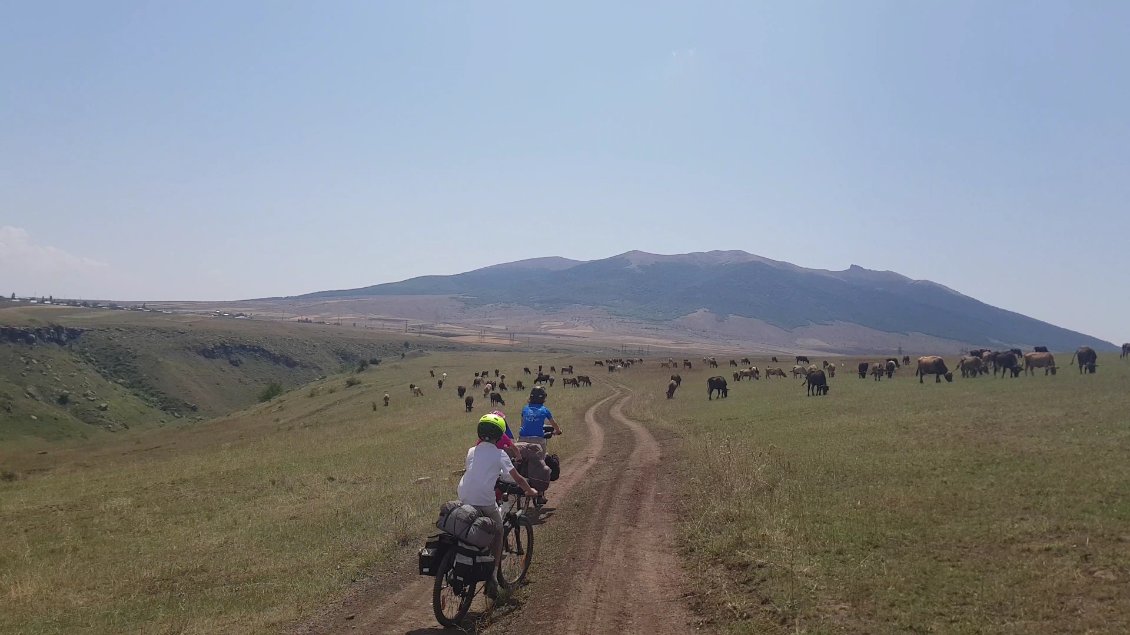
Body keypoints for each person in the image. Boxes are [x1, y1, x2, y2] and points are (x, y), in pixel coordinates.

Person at [458, 413, 538, 598]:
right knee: (499, 531)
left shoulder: (471, 451)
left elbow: (473, 470)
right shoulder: (500, 453)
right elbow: (515, 478)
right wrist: (529, 490)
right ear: (499, 434)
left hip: (464, 497)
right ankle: (493, 577)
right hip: (484, 501)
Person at [518, 386, 562, 450]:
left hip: (522, 439)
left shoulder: (525, 408)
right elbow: (554, 424)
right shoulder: (544, 410)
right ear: (543, 398)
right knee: (542, 456)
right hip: (538, 439)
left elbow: (522, 425)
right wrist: (558, 431)